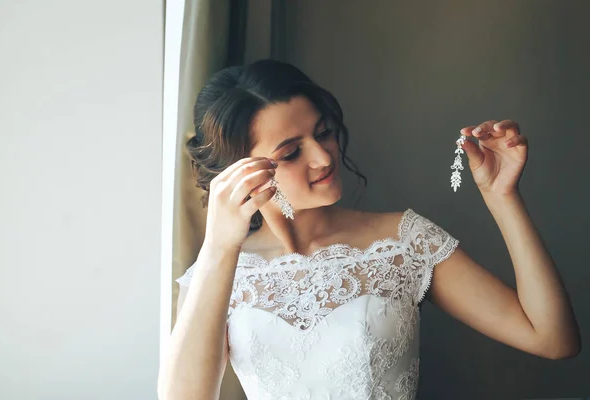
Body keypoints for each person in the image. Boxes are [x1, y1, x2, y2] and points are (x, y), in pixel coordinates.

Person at [157, 59, 580, 400]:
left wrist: (502, 196)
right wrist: (217, 248)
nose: (323, 157)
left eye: (323, 133)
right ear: (239, 171)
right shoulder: (220, 271)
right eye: (290, 152)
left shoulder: (402, 241)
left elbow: (552, 338)